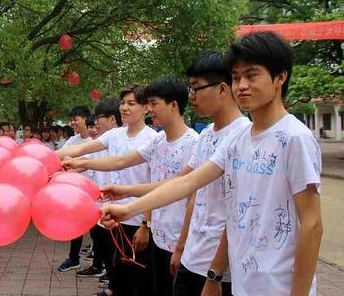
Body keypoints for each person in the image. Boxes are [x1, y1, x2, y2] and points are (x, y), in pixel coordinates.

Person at [101, 31, 323, 296]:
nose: (241, 85)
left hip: (280, 287)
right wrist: (129, 209)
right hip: (243, 282)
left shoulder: (294, 138)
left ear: (280, 77)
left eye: (252, 76)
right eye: (236, 77)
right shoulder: (239, 138)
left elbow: (312, 224)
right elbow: (189, 182)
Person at [103, 52, 249, 296]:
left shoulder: (242, 137)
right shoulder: (208, 135)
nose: (190, 97)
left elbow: (232, 211)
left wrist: (214, 271)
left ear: (222, 89)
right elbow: (183, 183)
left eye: (195, 88)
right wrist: (127, 196)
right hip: (194, 255)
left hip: (217, 265)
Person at [65, 76, 199, 296]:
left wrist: (148, 224)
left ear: (173, 105)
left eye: (153, 104)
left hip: (175, 239)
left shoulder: (193, 142)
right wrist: (79, 163)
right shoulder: (159, 141)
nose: (151, 109)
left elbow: (183, 189)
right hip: (158, 235)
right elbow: (121, 162)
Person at [57, 85, 158, 296]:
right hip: (113, 219)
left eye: (131, 103)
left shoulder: (152, 139)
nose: (125, 108)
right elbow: (81, 149)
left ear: (146, 107)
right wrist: (49, 156)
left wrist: (146, 224)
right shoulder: (115, 135)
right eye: (123, 103)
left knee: (140, 281)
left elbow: (154, 185)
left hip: (137, 220)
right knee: (117, 277)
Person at [75, 99, 122, 287]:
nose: (95, 124)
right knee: (102, 242)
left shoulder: (126, 141)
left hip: (121, 206)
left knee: (114, 248)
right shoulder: (102, 143)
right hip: (99, 202)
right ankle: (111, 279)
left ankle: (113, 280)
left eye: (98, 119)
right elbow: (82, 157)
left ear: (111, 119)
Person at [57, 107, 93, 273]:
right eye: (71, 119)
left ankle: (99, 263)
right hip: (75, 191)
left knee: (98, 229)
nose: (72, 122)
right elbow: (62, 159)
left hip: (95, 189)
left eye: (75, 118)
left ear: (86, 119)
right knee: (76, 224)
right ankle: (74, 258)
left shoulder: (96, 141)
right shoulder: (72, 141)